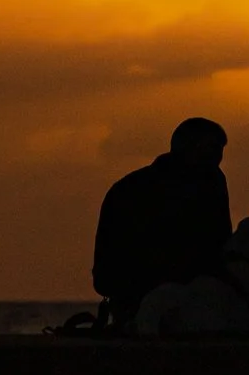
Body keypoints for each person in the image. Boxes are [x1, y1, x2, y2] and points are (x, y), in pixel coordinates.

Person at [91, 117, 233, 330]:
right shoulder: (133, 191)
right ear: (189, 148)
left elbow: (220, 241)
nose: (217, 158)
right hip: (144, 298)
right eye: (211, 150)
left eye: (218, 151)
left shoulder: (208, 182)